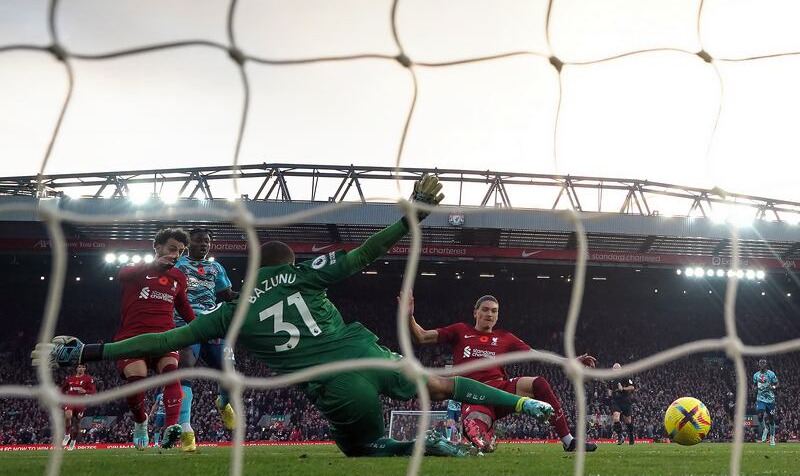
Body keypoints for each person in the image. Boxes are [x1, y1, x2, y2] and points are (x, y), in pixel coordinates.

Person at [36, 175, 556, 457]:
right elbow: (365, 253)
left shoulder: (232, 310)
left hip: (333, 387)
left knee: (362, 446)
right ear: (290, 263)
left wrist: (90, 350)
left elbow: (162, 338)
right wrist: (411, 218)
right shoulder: (305, 274)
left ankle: (421, 450)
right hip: (364, 352)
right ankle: (519, 404)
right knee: (439, 384)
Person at [404, 293, 598, 453]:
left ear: (498, 316)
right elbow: (421, 337)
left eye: (494, 311)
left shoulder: (505, 337)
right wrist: (409, 317)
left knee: (539, 383)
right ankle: (483, 440)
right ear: (476, 312)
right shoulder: (460, 331)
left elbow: (537, 355)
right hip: (474, 396)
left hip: (501, 391)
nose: (490, 314)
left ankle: (568, 441)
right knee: (475, 429)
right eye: (486, 309)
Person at [114, 228, 195, 450]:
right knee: (136, 377)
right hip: (133, 337)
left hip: (165, 337)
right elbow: (121, 275)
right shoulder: (137, 271)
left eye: (180, 251)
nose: (176, 254)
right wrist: (152, 265)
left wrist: (200, 327)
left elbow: (184, 306)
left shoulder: (178, 277)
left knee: (171, 375)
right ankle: (141, 421)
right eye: (172, 249)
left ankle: (171, 429)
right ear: (157, 247)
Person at [174, 228, 237, 452]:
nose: (204, 244)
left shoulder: (216, 267)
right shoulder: (178, 265)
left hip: (212, 323)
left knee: (229, 374)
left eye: (208, 241)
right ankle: (186, 429)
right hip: (186, 323)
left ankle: (223, 402)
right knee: (186, 369)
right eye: (199, 240)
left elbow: (227, 295)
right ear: (188, 243)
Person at [60, 364, 96, 450]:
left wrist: (85, 391)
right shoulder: (70, 379)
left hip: (80, 403)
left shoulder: (88, 379)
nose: (81, 368)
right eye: (79, 367)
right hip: (70, 401)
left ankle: (73, 441)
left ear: (85, 368)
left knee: (76, 425)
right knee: (68, 416)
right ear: (76, 368)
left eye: (83, 367)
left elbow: (93, 391)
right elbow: (62, 389)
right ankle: (67, 435)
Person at [607, 363, 635, 445]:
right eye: (614, 368)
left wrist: (623, 388)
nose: (615, 370)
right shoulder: (611, 379)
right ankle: (620, 436)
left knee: (628, 421)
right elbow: (609, 389)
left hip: (625, 401)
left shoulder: (625, 377)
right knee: (616, 418)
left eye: (617, 368)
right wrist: (609, 394)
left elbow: (632, 387)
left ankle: (631, 435)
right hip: (616, 401)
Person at [753, 358, 779, 446]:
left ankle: (772, 438)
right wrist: (754, 388)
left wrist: (773, 387)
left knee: (771, 420)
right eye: (761, 363)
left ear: (766, 364)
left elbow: (777, 384)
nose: (762, 364)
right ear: (759, 364)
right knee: (760, 415)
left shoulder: (771, 374)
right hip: (760, 399)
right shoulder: (756, 375)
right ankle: (765, 429)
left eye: (764, 363)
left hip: (770, 400)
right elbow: (754, 385)